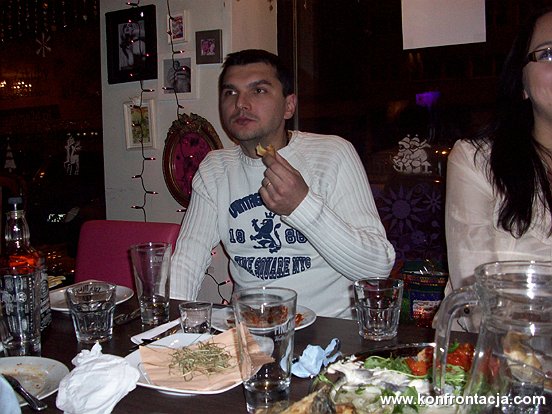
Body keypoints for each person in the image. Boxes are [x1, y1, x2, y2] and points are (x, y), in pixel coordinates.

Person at [170, 49, 395, 318]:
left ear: (289, 105)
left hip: (328, 329)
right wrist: (168, 327)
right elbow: (187, 261)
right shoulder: (215, 168)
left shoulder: (332, 154)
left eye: (258, 91)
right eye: (230, 92)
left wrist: (302, 205)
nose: (241, 103)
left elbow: (377, 268)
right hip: (249, 328)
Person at [445, 7, 552, 294]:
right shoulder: (478, 161)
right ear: (522, 83)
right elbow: (475, 292)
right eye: (548, 53)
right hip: (500, 324)